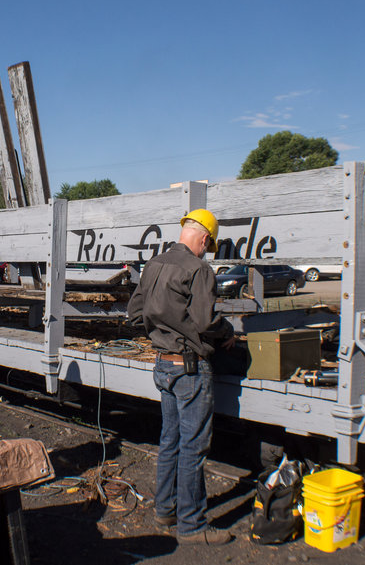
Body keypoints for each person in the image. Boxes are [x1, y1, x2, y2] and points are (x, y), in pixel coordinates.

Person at [127, 208, 236, 545]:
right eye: (209, 245)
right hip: (190, 369)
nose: (206, 250)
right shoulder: (199, 269)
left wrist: (162, 330)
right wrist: (227, 330)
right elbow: (205, 323)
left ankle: (165, 509)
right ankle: (192, 526)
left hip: (163, 363)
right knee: (194, 446)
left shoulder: (154, 264)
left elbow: (134, 314)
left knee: (169, 440)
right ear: (204, 239)